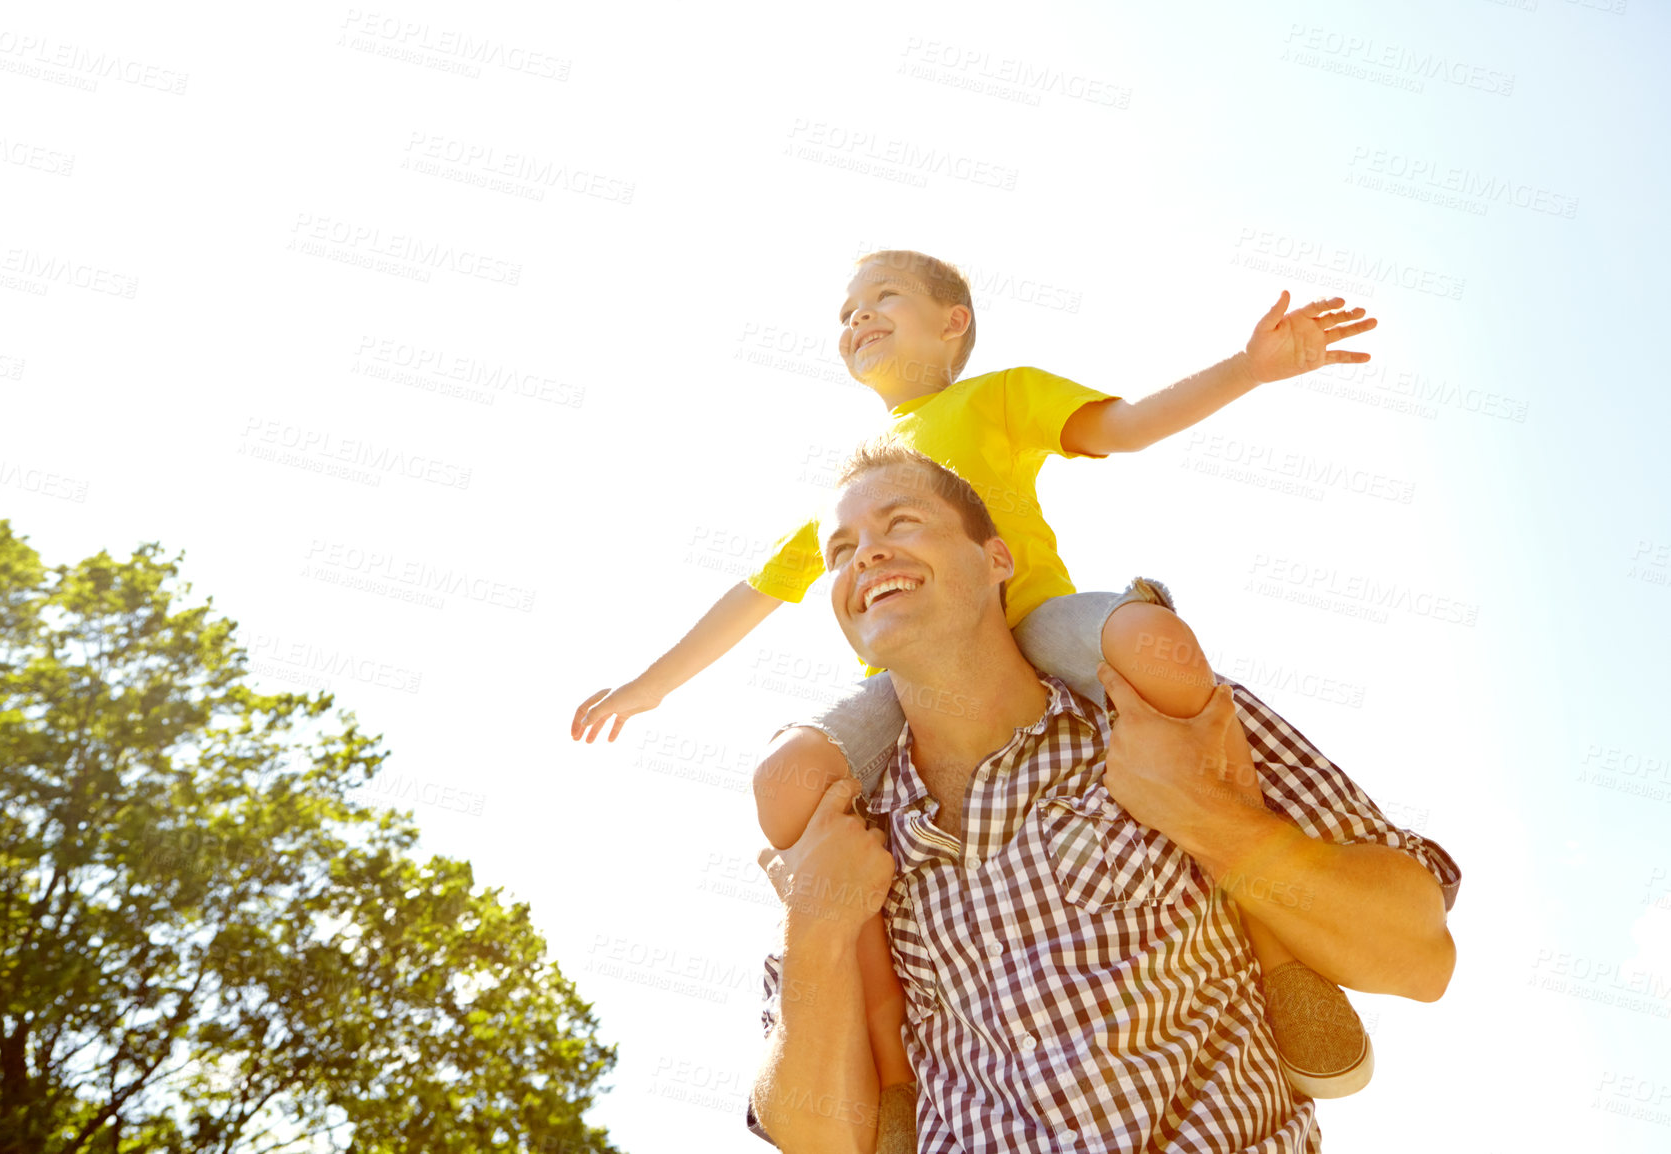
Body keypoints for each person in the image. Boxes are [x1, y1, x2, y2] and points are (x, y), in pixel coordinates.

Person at [571, 250, 1385, 1099]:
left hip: (1033, 624)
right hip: (914, 680)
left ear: (953, 321)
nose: (856, 319)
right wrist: (650, 686)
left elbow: (1129, 425)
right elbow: (755, 594)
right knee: (791, 780)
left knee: (1153, 641)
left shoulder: (996, 396)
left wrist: (1250, 368)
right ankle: (892, 1084)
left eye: (881, 298)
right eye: (845, 312)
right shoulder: (849, 490)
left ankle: (1282, 954)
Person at [746, 443, 1460, 1151]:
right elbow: (817, 1139)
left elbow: (1417, 957)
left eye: (901, 523)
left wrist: (1205, 813)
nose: (865, 554)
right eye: (841, 550)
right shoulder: (842, 838)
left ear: (997, 559)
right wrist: (815, 924)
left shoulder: (1169, 721)